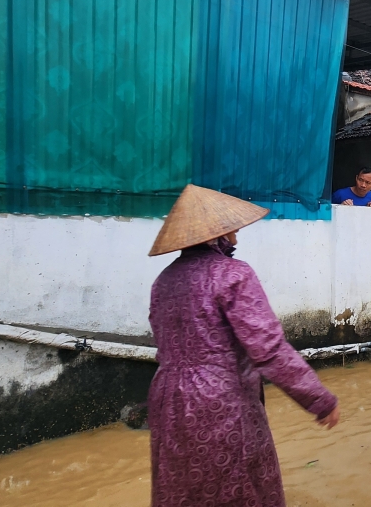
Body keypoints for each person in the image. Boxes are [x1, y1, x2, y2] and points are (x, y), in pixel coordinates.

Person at [146, 184, 340, 507]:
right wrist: (319, 399)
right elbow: (269, 350)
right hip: (220, 400)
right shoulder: (233, 275)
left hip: (168, 400)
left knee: (181, 488)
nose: (236, 236)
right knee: (239, 487)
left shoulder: (163, 281)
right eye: (231, 228)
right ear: (216, 234)